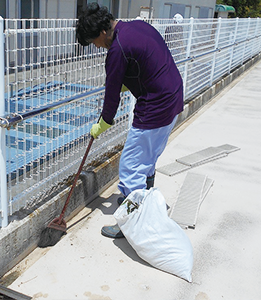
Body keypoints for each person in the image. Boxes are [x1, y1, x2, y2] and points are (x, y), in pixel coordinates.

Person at [76, 3, 184, 238]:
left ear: (103, 31)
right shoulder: (137, 27)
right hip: (173, 98)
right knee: (146, 161)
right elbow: (145, 65)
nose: (96, 46)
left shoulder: (117, 49)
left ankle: (131, 223)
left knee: (130, 168)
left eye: (94, 41)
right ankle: (146, 209)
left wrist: (103, 123)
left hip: (155, 108)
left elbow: (111, 94)